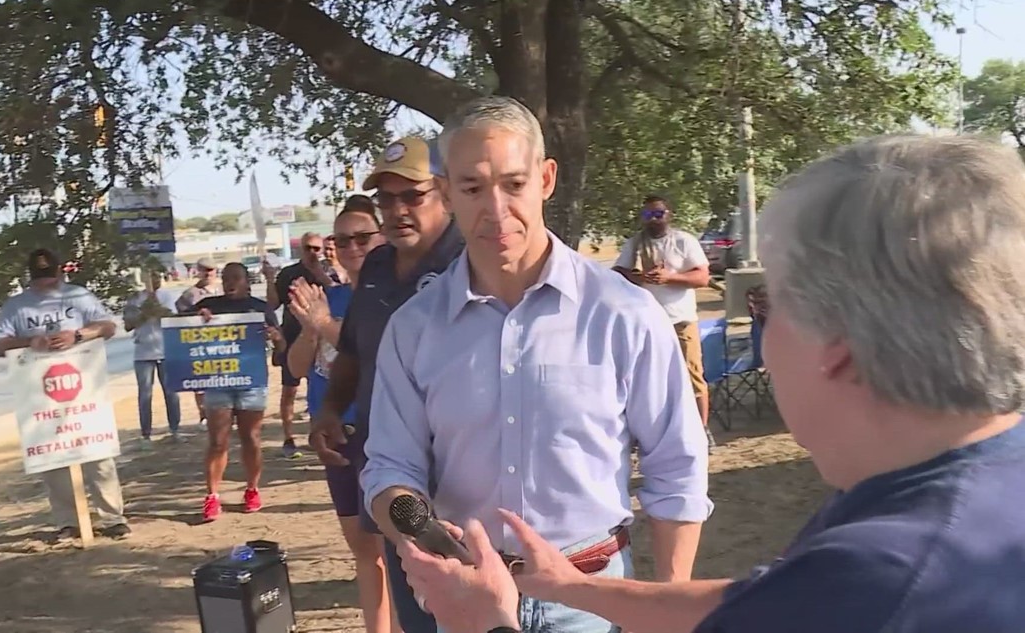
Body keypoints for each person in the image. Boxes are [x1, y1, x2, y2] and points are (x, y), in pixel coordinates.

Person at [396, 135, 1025, 633]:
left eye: (770, 304)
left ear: (837, 345)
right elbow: (760, 602)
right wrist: (573, 589)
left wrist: (490, 626)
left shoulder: (878, 580)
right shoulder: (963, 498)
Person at [362, 97, 711, 633]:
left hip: (590, 599)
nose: (496, 210)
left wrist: (662, 608)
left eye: (513, 184)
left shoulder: (624, 312)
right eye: (474, 188)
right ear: (449, 192)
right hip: (465, 601)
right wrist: (415, 522)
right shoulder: (413, 329)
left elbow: (676, 467)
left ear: (546, 179)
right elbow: (389, 468)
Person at [311, 135, 464, 633]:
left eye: (412, 196)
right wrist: (332, 410)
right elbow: (354, 349)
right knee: (413, 605)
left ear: (444, 192)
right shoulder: (377, 264)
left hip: (459, 472)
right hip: (389, 465)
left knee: (465, 605)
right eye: (387, 199)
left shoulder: (470, 263)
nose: (398, 210)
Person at [287, 208, 392, 633]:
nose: (352, 249)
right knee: (364, 552)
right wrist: (311, 329)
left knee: (401, 553)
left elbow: (375, 352)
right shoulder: (327, 298)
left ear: (381, 237)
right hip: (338, 440)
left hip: (385, 436)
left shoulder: (392, 293)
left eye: (362, 238)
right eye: (342, 241)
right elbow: (296, 367)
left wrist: (323, 322)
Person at [0, 248, 129, 540]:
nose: (45, 282)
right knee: (53, 460)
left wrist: (77, 335)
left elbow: (108, 326)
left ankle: (113, 518)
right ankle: (68, 522)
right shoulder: (16, 306)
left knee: (98, 455)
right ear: (31, 276)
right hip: (41, 395)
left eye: (49, 276)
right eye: (39, 277)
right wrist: (30, 341)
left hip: (85, 392)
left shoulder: (79, 296)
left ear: (59, 272)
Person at [612, 197, 713, 445]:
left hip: (680, 320)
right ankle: (653, 435)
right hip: (646, 324)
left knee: (693, 377)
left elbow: (702, 278)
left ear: (669, 214)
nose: (653, 220)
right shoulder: (635, 244)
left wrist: (670, 277)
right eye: (648, 215)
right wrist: (639, 277)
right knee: (647, 380)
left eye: (658, 214)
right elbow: (618, 274)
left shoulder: (683, 241)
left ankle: (702, 431)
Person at [191, 262, 285, 522]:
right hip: (217, 382)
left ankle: (252, 489)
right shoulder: (209, 304)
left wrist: (276, 337)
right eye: (226, 278)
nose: (230, 282)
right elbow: (180, 330)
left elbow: (281, 350)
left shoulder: (260, 308)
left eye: (236, 278)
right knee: (218, 441)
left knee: (251, 438)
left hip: (251, 381)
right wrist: (198, 319)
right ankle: (212, 496)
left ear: (247, 280)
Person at [270, 232, 337, 459]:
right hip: (292, 337)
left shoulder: (329, 274)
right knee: (289, 390)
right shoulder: (288, 273)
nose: (313, 253)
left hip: (322, 340)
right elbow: (271, 304)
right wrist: (270, 278)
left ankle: (314, 434)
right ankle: (288, 437)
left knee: (317, 388)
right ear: (300, 249)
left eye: (317, 249)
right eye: (308, 248)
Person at [123, 267, 182, 445]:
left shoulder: (166, 296)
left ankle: (174, 429)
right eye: (151, 276)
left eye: (157, 276)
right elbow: (128, 325)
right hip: (143, 352)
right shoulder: (134, 298)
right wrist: (143, 313)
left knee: (171, 392)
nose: (155, 279)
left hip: (165, 350)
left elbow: (173, 318)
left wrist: (157, 308)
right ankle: (146, 434)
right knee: (145, 394)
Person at [177, 258, 220, 425]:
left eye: (211, 270)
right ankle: (204, 415)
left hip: (224, 344)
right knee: (201, 383)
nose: (208, 273)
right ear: (198, 271)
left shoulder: (224, 290)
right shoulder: (189, 295)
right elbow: (180, 317)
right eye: (204, 270)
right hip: (200, 344)